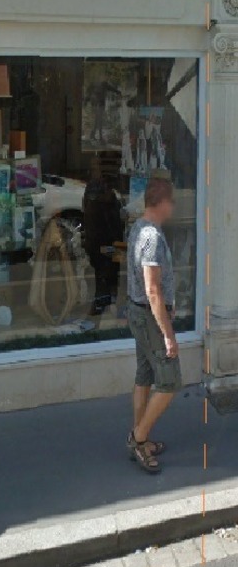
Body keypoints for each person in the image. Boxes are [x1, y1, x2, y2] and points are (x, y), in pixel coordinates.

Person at [124, 177, 180, 474]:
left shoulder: (139, 228)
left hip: (139, 313)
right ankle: (138, 437)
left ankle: (140, 436)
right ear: (161, 202)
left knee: (144, 376)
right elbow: (153, 290)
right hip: (149, 316)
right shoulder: (152, 237)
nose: (173, 207)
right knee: (170, 382)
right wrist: (168, 335)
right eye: (172, 201)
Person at [82, 161, 125, 315]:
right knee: (105, 272)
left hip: (107, 239)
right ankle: (105, 302)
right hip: (103, 239)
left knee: (110, 272)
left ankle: (108, 301)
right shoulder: (98, 195)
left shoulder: (102, 195)